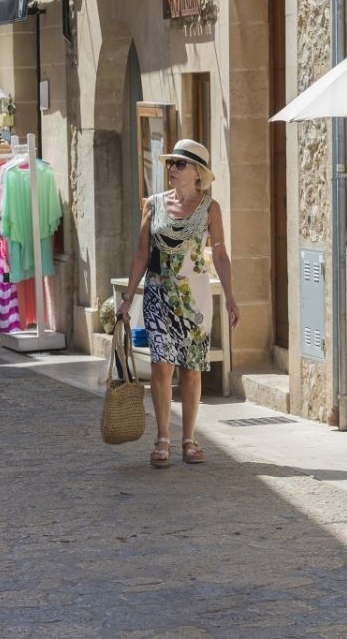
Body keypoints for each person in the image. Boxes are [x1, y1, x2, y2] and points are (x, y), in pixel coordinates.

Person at [117, 139, 240, 468]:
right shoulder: (153, 205)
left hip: (195, 297)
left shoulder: (210, 208)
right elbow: (142, 253)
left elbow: (220, 254)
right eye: (170, 163)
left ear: (197, 173)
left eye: (179, 164)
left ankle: (189, 438)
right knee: (161, 365)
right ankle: (162, 439)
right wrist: (128, 298)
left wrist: (230, 297)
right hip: (159, 293)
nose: (171, 168)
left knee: (190, 370)